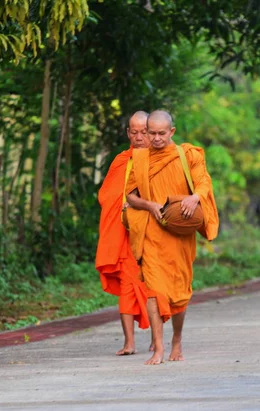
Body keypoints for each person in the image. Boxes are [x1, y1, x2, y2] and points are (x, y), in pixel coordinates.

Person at [125, 110, 219, 365]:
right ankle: (158, 348)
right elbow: (130, 195)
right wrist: (149, 205)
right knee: (154, 291)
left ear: (172, 132)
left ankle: (176, 340)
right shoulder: (140, 158)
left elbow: (203, 183)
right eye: (150, 133)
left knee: (179, 293)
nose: (154, 138)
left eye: (160, 134)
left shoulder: (188, 155)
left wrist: (194, 197)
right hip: (153, 232)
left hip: (180, 233)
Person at [96, 111, 151, 356]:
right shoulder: (121, 160)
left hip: (153, 233)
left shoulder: (162, 159)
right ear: (128, 133)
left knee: (156, 287)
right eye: (134, 131)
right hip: (126, 233)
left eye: (144, 131)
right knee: (129, 284)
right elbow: (106, 195)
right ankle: (129, 343)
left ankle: (156, 339)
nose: (139, 137)